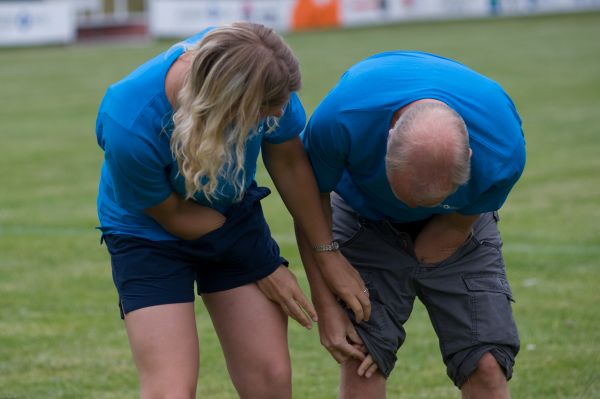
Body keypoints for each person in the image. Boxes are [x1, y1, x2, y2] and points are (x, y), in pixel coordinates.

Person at [95, 22, 368, 399]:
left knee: (269, 379)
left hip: (230, 210)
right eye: (265, 113)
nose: (280, 113)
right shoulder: (130, 120)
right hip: (147, 234)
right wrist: (262, 263)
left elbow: (290, 165)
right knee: (170, 390)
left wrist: (328, 254)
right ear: (224, 103)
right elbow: (173, 215)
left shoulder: (266, 72)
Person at [297, 51, 526, 399]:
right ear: (386, 142)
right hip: (365, 216)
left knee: (487, 362)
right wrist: (327, 301)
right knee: (362, 354)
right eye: (404, 194)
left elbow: (476, 206)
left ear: (469, 157)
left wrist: (453, 228)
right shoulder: (341, 118)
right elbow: (309, 200)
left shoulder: (502, 145)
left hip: (456, 223)